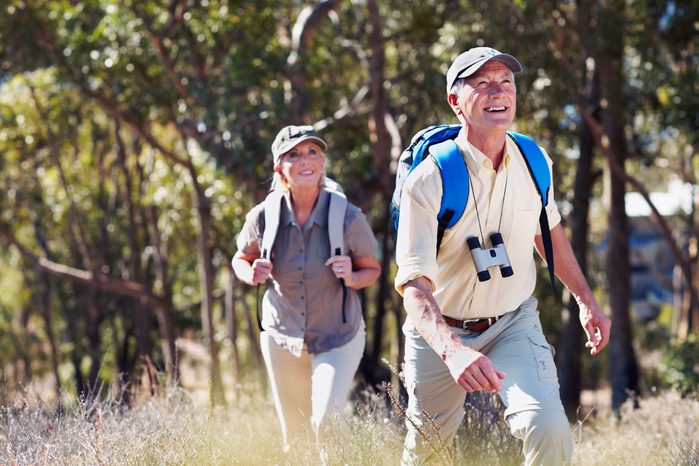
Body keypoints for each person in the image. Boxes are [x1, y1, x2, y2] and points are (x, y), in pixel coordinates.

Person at [394, 47, 611, 465]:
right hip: (441, 331)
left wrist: (586, 301)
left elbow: (548, 236)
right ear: (455, 102)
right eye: (482, 83)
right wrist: (452, 350)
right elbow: (414, 286)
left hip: (513, 321)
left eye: (506, 82)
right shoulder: (429, 179)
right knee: (427, 452)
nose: (499, 91)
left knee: (548, 427)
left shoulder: (535, 161)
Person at [232, 125, 381, 458]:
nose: (305, 160)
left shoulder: (347, 216)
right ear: (279, 168)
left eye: (313, 152)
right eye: (294, 154)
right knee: (295, 438)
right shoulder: (263, 217)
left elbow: (372, 269)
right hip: (282, 337)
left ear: (322, 161)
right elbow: (240, 259)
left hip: (338, 336)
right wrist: (251, 273)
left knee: (327, 421)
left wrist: (352, 276)